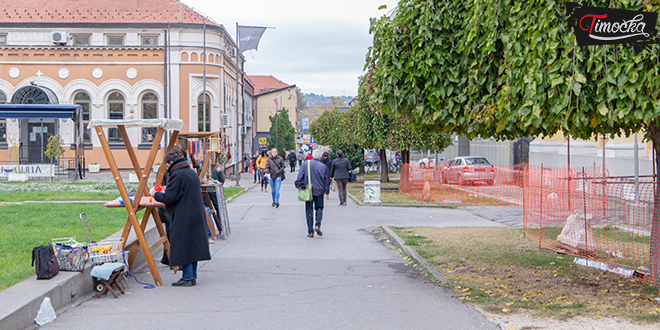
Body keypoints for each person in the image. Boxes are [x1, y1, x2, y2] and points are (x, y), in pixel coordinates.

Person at [152, 151, 211, 287]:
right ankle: (191, 276)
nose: (167, 168)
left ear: (171, 163)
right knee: (192, 246)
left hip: (183, 216)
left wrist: (156, 195)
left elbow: (170, 197)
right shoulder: (190, 172)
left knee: (184, 246)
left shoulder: (177, 175)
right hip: (195, 214)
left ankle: (187, 277)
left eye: (167, 165)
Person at [295, 149, 330, 238]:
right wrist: (323, 188)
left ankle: (310, 231)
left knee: (309, 211)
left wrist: (299, 185)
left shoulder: (305, 164)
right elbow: (326, 180)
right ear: (320, 157)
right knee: (319, 208)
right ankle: (317, 225)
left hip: (308, 191)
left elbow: (299, 177)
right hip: (319, 191)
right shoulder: (323, 166)